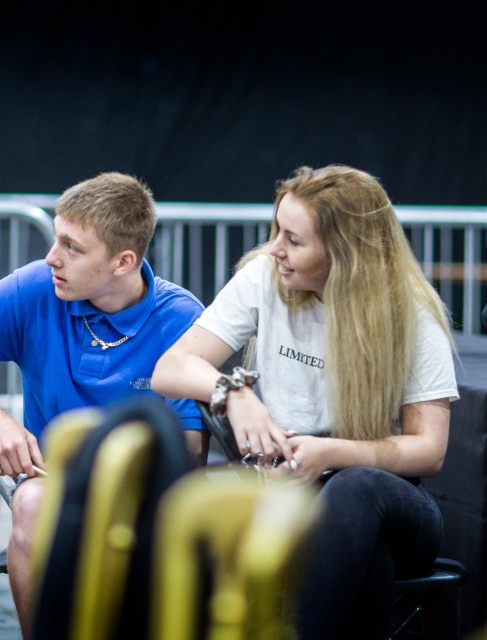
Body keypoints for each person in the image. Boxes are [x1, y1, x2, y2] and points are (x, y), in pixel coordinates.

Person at [152, 164, 458, 639]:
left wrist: (332, 454)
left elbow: (429, 450)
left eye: (293, 240)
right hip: (298, 501)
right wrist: (233, 393)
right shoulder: (265, 277)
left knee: (355, 489)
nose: (275, 248)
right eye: (277, 230)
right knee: (366, 559)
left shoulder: (411, 314)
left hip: (393, 505)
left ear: (344, 252)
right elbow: (170, 369)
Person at [0, 171, 206, 639]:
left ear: (123, 261)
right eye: (55, 239)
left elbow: (187, 455)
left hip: (146, 496)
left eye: (72, 247)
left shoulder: (180, 317)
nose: (52, 257)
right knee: (31, 502)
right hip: (52, 486)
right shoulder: (38, 287)